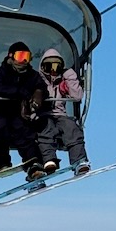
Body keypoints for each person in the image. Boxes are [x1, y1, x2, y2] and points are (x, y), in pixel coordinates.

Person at [0, 42, 47, 181]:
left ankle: (34, 164)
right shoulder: (1, 72)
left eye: (27, 57)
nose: (24, 61)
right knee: (0, 129)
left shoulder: (32, 75)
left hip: (19, 113)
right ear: (11, 56)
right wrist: (20, 93)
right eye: (20, 56)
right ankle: (1, 163)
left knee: (24, 132)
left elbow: (42, 87)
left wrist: (39, 93)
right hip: (0, 110)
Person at [36, 48, 90, 176]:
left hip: (60, 115)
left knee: (72, 128)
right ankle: (48, 159)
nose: (53, 70)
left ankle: (79, 161)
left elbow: (77, 96)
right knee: (45, 129)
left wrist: (69, 75)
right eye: (49, 66)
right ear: (43, 67)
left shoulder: (63, 82)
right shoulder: (38, 80)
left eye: (57, 66)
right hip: (44, 114)